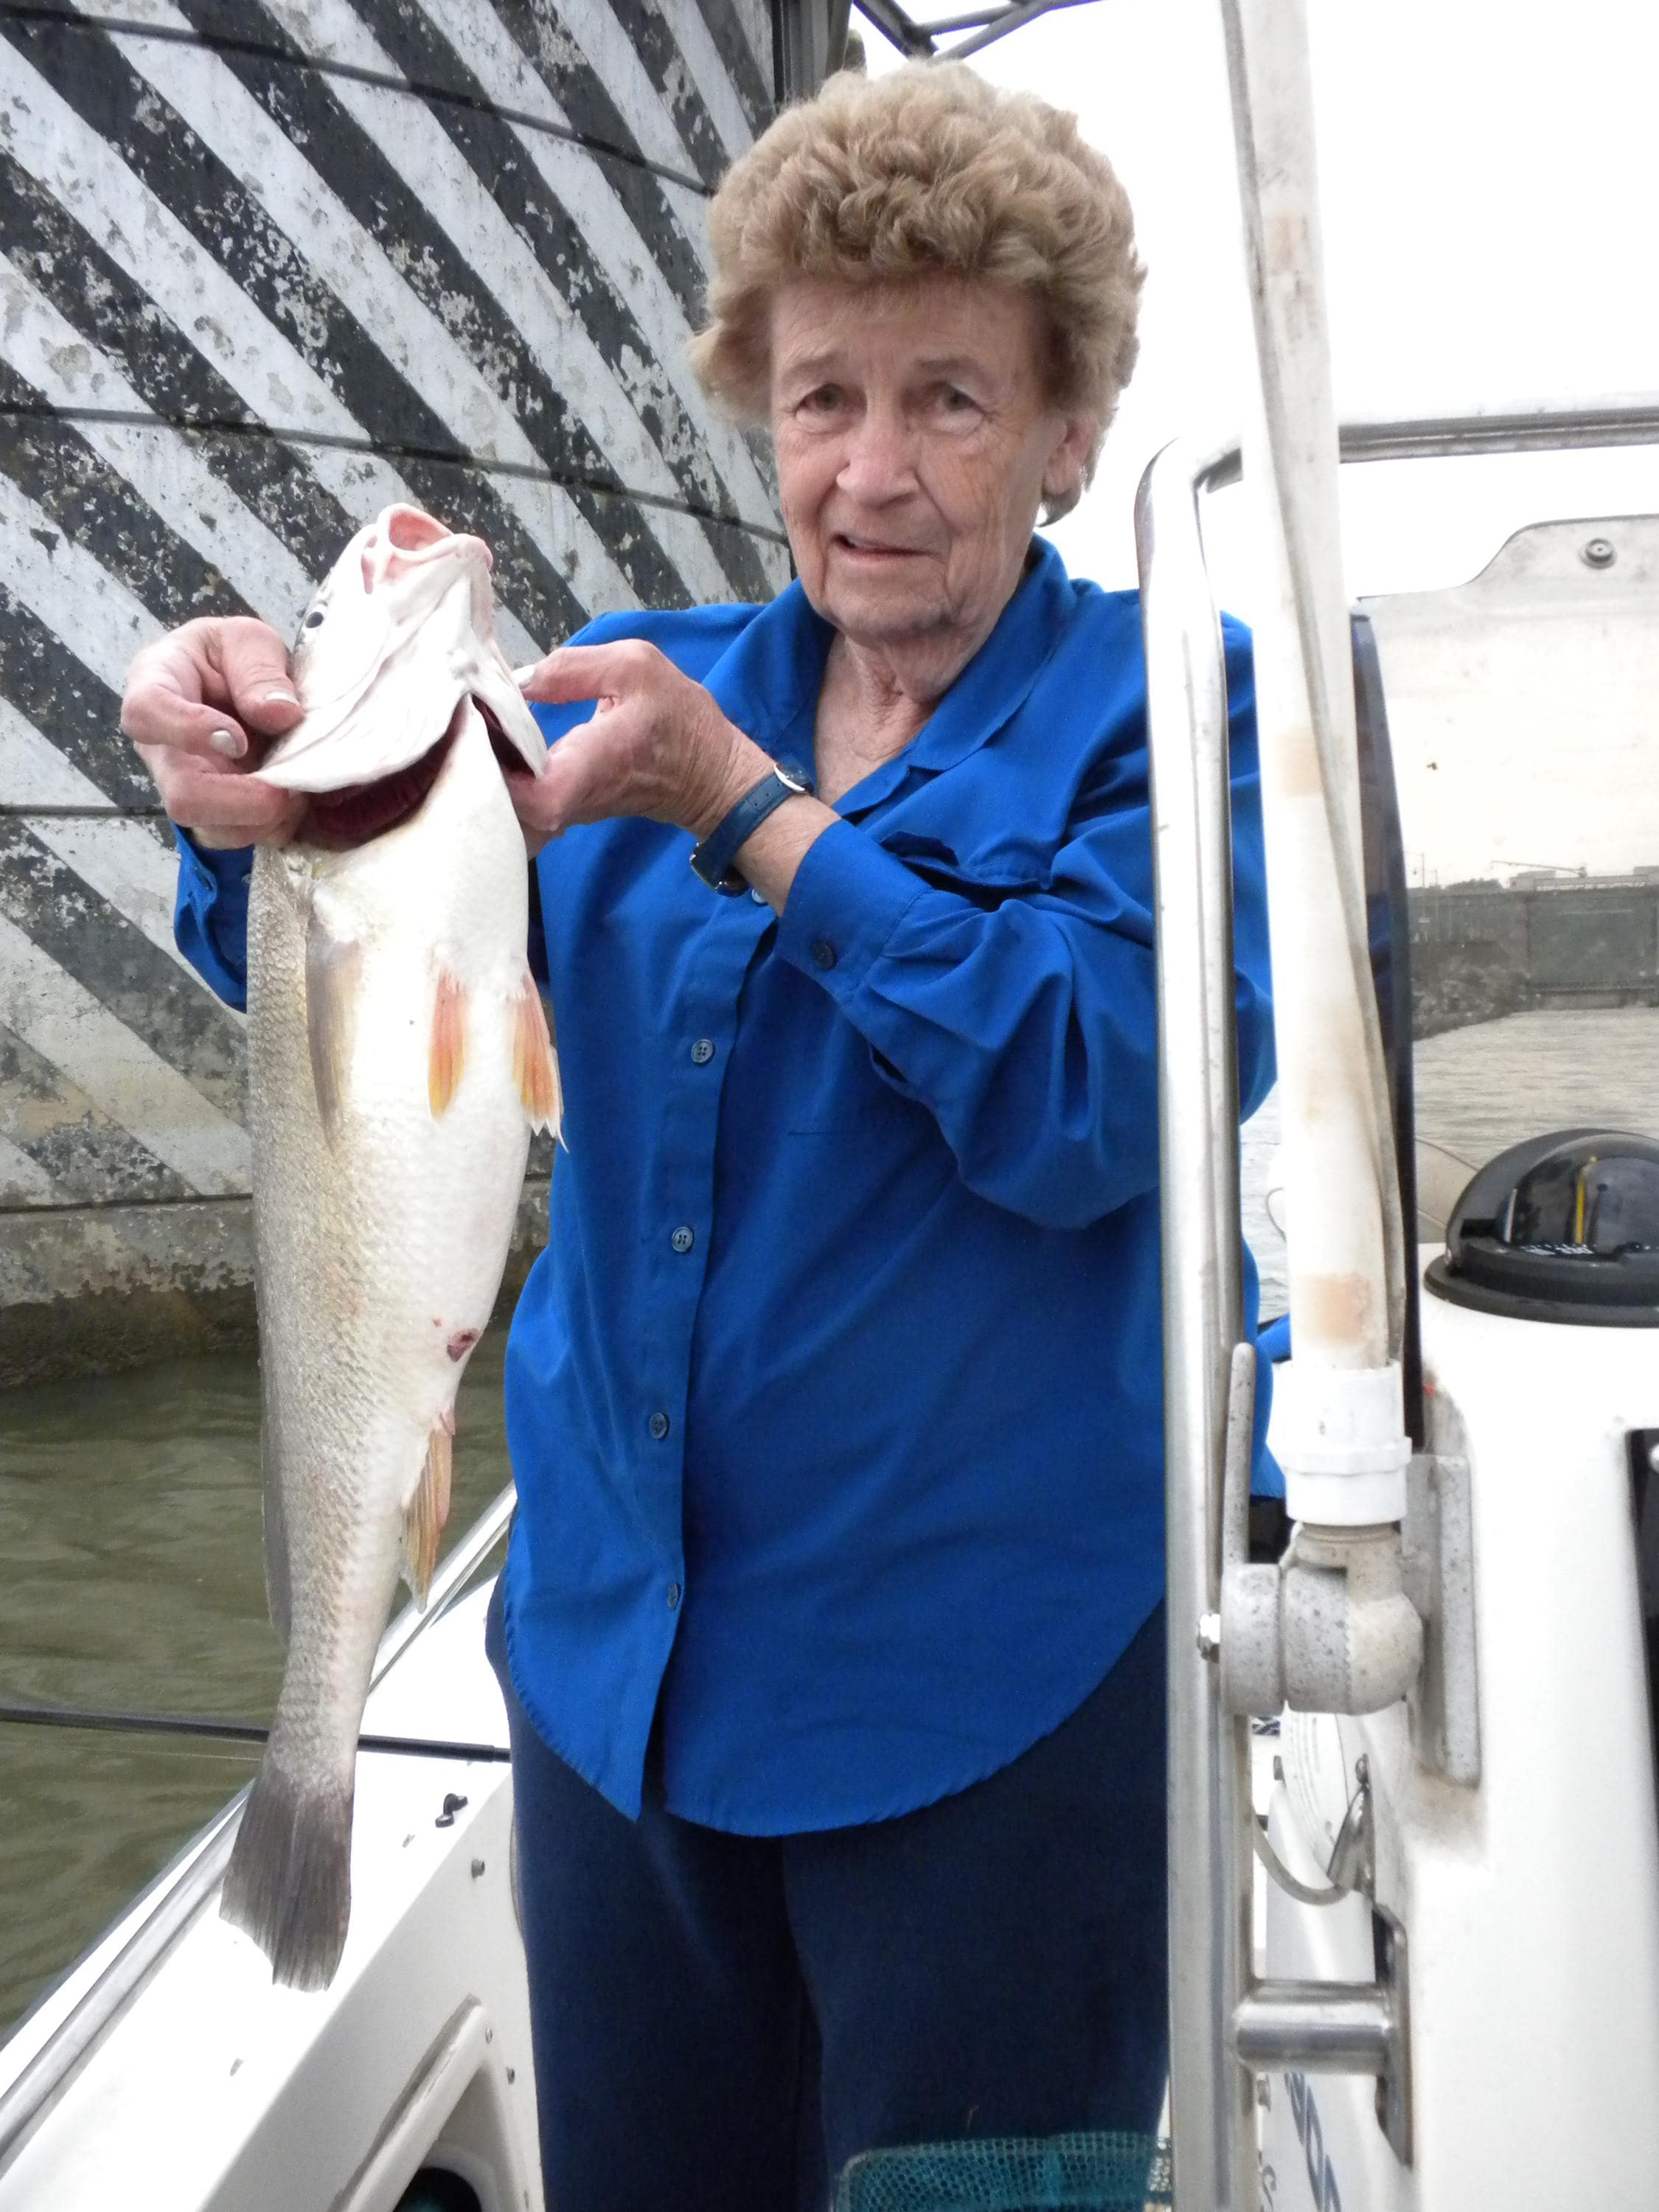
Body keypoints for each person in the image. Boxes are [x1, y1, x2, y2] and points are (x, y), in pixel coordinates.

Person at [123, 60, 1273, 2211]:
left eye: (950, 399)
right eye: (822, 396)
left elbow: (1087, 1102)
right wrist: (242, 801)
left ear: (1067, 430)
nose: (871, 470)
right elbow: (377, 989)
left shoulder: (1175, 709)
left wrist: (747, 812)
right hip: (610, 1697)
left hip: (988, 1714)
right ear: (761, 405)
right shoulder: (627, 680)